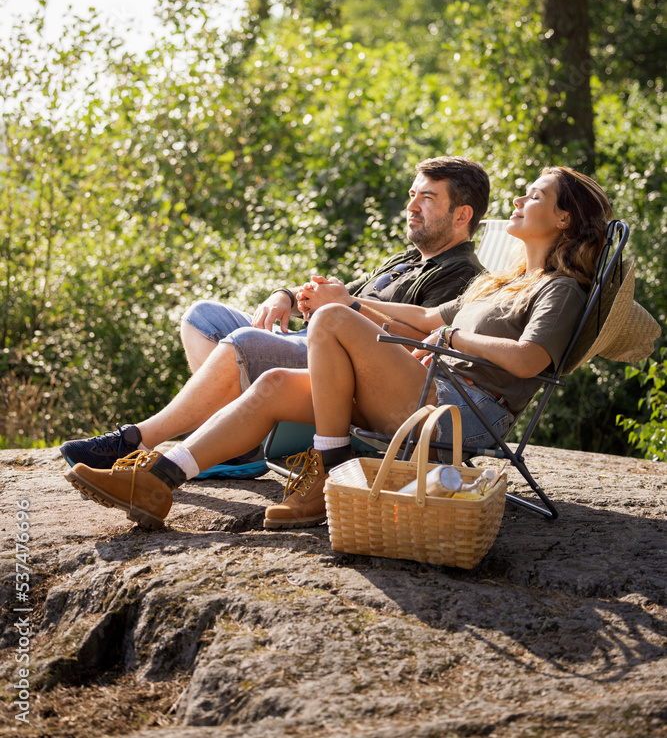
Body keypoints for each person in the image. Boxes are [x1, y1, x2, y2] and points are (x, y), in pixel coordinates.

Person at [63, 167, 613, 532]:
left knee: (329, 319)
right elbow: (421, 319)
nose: (520, 199)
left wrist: (446, 337)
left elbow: (529, 361)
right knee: (276, 384)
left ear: (563, 219)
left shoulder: (559, 290)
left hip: (462, 410)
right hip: (424, 392)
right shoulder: (499, 282)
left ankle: (327, 465)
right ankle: (159, 480)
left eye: (535, 195)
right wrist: (354, 302)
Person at [59, 156, 489, 475]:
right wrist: (289, 295)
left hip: (345, 368)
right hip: (315, 340)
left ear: (461, 215)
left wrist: (342, 307)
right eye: (413, 194)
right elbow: (341, 298)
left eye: (428, 198)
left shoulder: (462, 276)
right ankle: (237, 447)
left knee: (244, 344)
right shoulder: (404, 260)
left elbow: (406, 343)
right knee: (203, 316)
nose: (412, 205)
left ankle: (136, 440)